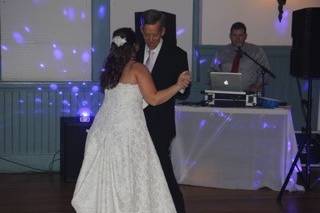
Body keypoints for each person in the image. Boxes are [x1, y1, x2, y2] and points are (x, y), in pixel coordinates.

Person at [71, 28, 191, 213]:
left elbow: (127, 99)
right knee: (130, 178)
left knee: (111, 178)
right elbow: (154, 99)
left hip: (103, 131)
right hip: (128, 132)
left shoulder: (110, 70)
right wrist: (178, 85)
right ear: (135, 46)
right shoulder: (137, 68)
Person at [136, 9, 190, 213]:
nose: (150, 39)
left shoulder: (177, 55)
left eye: (155, 35)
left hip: (160, 124)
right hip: (134, 122)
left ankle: (177, 209)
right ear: (141, 30)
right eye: (147, 34)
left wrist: (182, 85)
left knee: (163, 171)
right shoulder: (134, 52)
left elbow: (184, 94)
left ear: (163, 32)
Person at [210, 22, 271, 93]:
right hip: (226, 91)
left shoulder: (256, 51)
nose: (237, 39)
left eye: (240, 35)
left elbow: (266, 73)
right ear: (230, 36)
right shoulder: (221, 52)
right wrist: (216, 85)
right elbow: (213, 70)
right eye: (234, 35)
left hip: (249, 93)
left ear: (245, 36)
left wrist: (257, 85)